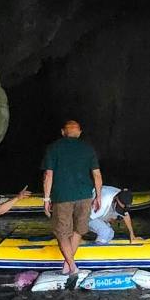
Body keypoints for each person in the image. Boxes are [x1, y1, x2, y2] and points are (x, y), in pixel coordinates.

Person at [41, 118, 102, 278]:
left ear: (63, 132)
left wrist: (46, 199)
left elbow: (48, 174)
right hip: (85, 196)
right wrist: (99, 196)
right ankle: (68, 265)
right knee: (79, 230)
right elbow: (97, 174)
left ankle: (71, 266)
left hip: (62, 197)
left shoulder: (53, 148)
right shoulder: (88, 149)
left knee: (62, 233)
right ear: (79, 133)